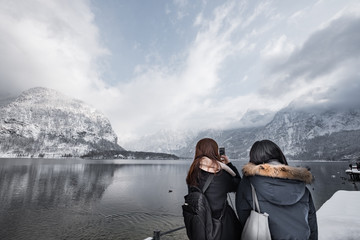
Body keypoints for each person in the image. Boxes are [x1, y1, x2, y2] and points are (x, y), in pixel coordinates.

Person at [236, 140, 318, 240]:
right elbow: (312, 222)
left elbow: (244, 217)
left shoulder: (248, 184)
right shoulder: (300, 183)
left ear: (253, 158)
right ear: (279, 154)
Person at [186, 138, 241, 240]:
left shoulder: (192, 172)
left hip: (200, 222)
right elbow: (238, 185)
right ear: (215, 152)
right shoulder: (221, 173)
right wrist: (228, 164)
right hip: (221, 223)